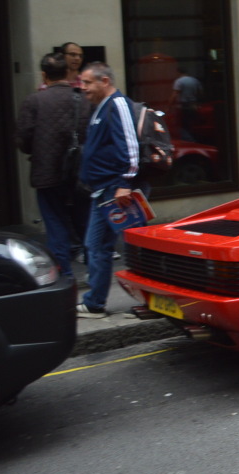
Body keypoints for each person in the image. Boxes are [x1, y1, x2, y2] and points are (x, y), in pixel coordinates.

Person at [76, 61, 145, 318]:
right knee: (97, 246)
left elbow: (130, 147)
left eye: (87, 82)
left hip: (115, 191)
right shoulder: (100, 108)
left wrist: (124, 184)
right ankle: (95, 302)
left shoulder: (116, 104)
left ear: (104, 81)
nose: (83, 88)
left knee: (134, 247)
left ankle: (146, 299)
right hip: (104, 191)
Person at [15, 53, 90, 278]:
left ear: (44, 75)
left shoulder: (34, 101)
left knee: (56, 227)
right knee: (87, 226)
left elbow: (23, 139)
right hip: (80, 174)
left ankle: (65, 278)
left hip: (47, 174)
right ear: (68, 73)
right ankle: (96, 278)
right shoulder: (83, 99)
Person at [171, 66, 203, 141]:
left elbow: (175, 94)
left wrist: (169, 106)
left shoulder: (179, 81)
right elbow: (201, 93)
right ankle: (194, 138)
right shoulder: (195, 80)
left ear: (178, 72)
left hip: (183, 106)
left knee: (183, 125)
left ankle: (188, 140)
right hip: (193, 105)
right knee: (192, 124)